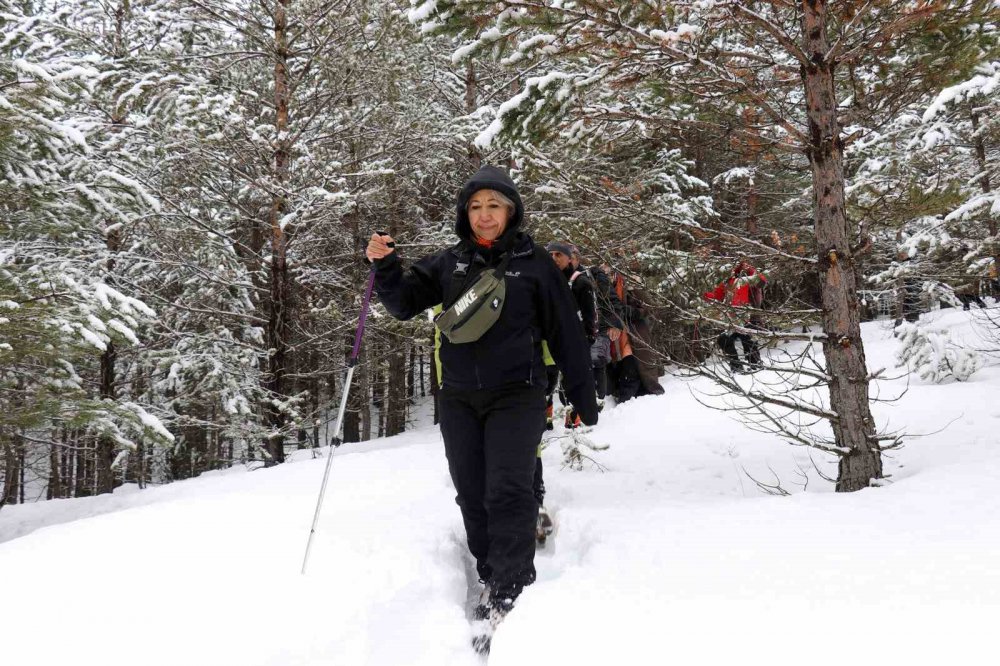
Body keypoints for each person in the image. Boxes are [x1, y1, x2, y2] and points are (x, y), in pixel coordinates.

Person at [365, 165, 597, 638]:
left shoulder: (536, 266)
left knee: (507, 489)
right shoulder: (449, 263)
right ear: (464, 213)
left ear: (511, 211)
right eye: (475, 207)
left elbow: (566, 334)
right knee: (471, 491)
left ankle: (511, 588)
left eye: (494, 206)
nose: (485, 216)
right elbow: (404, 302)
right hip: (459, 398)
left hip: (519, 393)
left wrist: (582, 395)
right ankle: (490, 571)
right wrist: (386, 267)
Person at [546, 240, 598, 428]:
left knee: (571, 383)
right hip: (548, 342)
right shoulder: (545, 281)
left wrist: (588, 339)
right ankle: (547, 420)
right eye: (550, 254)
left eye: (558, 254)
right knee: (547, 383)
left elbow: (590, 314)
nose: (554, 258)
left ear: (569, 258)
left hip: (574, 342)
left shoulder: (580, 282)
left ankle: (574, 421)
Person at [703, 258, 766, 373]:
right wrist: (706, 296)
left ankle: (755, 366)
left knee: (748, 341)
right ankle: (737, 366)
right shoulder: (728, 281)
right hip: (731, 318)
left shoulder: (750, 279)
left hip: (749, 316)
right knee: (724, 340)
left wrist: (749, 270)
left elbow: (761, 281)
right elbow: (717, 296)